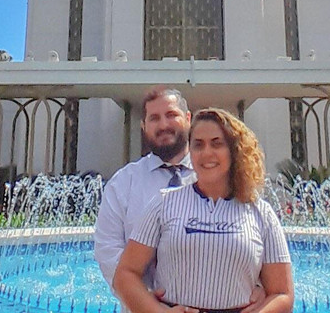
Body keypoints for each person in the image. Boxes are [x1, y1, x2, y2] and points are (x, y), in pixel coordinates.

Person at [113, 108, 294, 313]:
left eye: (217, 143)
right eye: (198, 145)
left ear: (235, 151)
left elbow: (282, 294)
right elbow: (126, 273)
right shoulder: (164, 204)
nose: (207, 153)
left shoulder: (261, 213)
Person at [94, 87, 196, 288]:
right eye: (154, 118)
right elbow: (108, 251)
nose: (163, 125)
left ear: (188, 118)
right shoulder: (122, 183)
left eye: (171, 115)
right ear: (143, 126)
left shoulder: (217, 177)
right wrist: (147, 303)